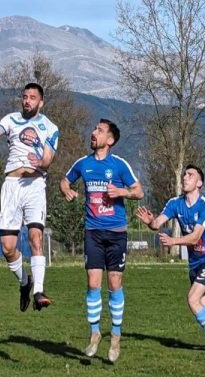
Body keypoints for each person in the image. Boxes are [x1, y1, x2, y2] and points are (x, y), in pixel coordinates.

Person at [136, 164, 205, 353]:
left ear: (199, 182)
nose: (185, 177)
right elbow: (157, 223)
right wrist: (151, 223)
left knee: (192, 299)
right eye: (184, 175)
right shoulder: (174, 203)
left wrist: (173, 241)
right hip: (195, 262)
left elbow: (195, 237)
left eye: (190, 175)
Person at [61, 119, 143, 362]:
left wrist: (122, 192)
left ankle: (115, 336)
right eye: (94, 128)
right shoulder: (83, 164)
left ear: (110, 140)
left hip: (116, 232)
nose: (93, 132)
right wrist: (66, 189)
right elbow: (65, 180)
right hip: (93, 232)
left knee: (114, 284)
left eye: (99, 130)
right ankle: (95, 333)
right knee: (93, 282)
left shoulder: (119, 165)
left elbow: (139, 191)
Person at [0, 82, 60, 311]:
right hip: (12, 186)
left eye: (32, 97)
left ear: (41, 102)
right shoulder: (11, 119)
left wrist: (41, 163)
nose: (27, 100)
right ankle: (25, 281)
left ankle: (39, 291)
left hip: (35, 185)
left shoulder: (50, 127)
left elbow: (48, 159)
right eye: (25, 97)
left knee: (36, 238)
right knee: (8, 247)